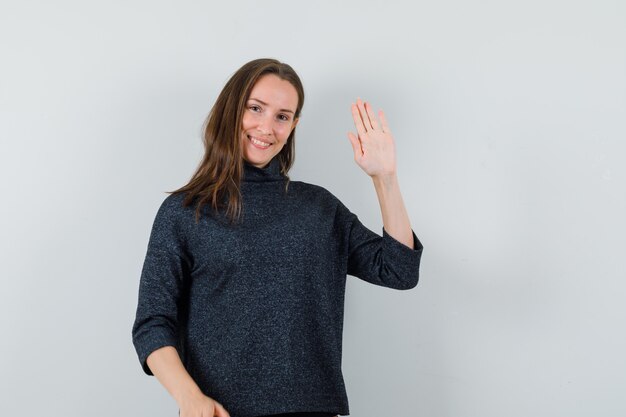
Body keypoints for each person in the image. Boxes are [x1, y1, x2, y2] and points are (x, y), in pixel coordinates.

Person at [131, 58, 424, 417]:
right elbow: (152, 323)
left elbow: (399, 270)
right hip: (219, 412)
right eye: (255, 109)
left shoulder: (318, 208)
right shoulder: (185, 211)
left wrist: (385, 179)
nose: (266, 127)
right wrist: (189, 397)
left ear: (294, 125)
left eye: (282, 116)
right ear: (232, 108)